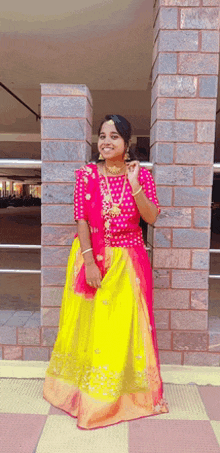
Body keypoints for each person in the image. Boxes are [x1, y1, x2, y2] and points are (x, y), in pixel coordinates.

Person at [43, 114, 169, 429]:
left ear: (127, 144)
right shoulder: (86, 175)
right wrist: (88, 263)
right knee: (91, 325)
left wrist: (135, 185)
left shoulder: (141, 175)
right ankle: (85, 389)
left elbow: (151, 217)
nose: (106, 142)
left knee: (120, 327)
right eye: (102, 136)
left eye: (113, 137)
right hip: (92, 257)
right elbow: (82, 219)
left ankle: (118, 394)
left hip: (128, 262)